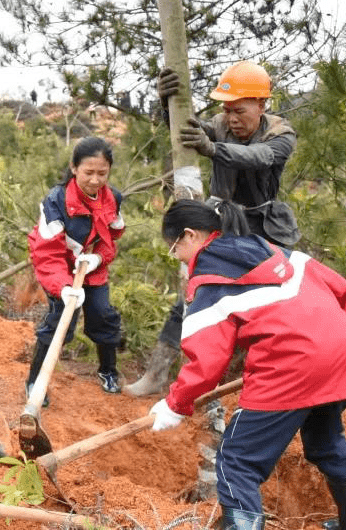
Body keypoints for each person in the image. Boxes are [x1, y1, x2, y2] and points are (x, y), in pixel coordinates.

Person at [148, 199, 346, 530]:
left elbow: (206, 361)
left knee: (236, 462)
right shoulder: (275, 249)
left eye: (173, 248)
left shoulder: (211, 276)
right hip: (340, 350)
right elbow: (342, 289)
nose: (177, 256)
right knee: (328, 443)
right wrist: (330, 342)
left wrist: (175, 404)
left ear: (190, 236)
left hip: (292, 363)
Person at [126, 60, 301, 397]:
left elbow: (260, 157)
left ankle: (263, 383)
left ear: (262, 104)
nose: (232, 118)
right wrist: (168, 105)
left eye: (240, 110)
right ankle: (158, 375)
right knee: (192, 294)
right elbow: (187, 131)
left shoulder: (280, 133)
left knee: (272, 306)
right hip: (219, 223)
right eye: (227, 110)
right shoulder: (220, 125)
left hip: (263, 229)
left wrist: (213, 149)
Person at [26, 136, 126, 401]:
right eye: (88, 172)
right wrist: (64, 287)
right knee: (60, 321)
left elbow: (112, 239)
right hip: (60, 271)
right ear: (74, 168)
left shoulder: (113, 198)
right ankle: (36, 382)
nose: (95, 180)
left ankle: (108, 371)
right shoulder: (55, 202)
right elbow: (47, 255)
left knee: (102, 315)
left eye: (102, 173)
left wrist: (97, 259)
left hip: (91, 268)